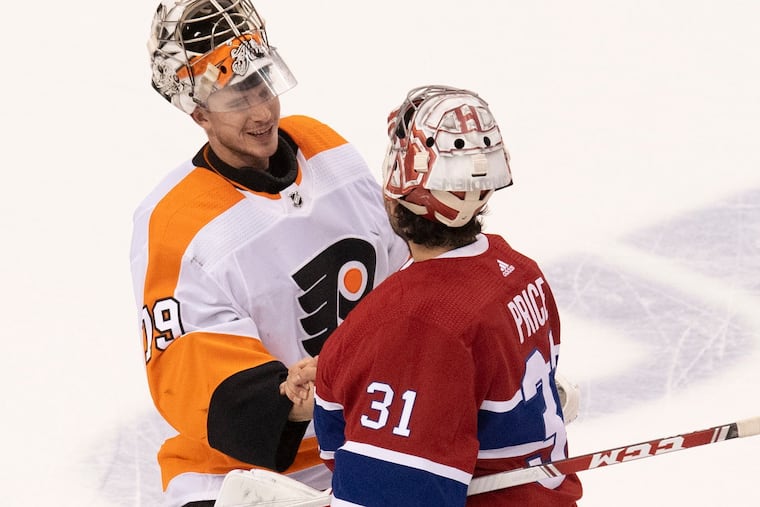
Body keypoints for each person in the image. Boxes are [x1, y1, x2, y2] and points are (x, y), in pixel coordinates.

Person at [129, 1, 409, 505]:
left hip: (373, 440)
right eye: (235, 98)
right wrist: (294, 399)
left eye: (261, 83)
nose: (260, 112)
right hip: (241, 477)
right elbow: (193, 379)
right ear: (197, 112)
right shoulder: (177, 224)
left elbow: (403, 273)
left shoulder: (324, 147)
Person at [308, 85, 584, 505]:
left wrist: (369, 369)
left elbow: (391, 495)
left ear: (398, 187)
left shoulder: (413, 325)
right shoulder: (519, 271)